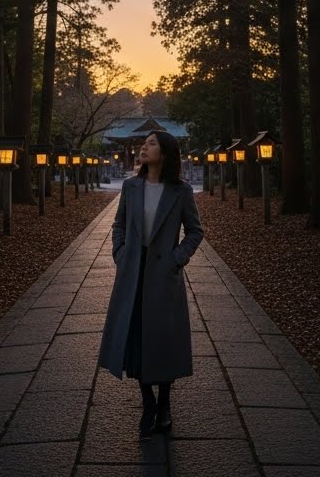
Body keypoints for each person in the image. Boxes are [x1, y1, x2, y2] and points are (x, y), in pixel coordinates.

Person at [97, 130, 204, 439]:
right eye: (144, 143)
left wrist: (176, 258)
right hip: (133, 269)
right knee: (137, 335)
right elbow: (118, 224)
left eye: (152, 143)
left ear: (166, 153)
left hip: (163, 272)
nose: (144, 146)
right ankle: (147, 402)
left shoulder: (180, 191)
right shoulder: (131, 187)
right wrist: (120, 253)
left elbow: (195, 231)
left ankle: (166, 404)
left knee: (163, 337)